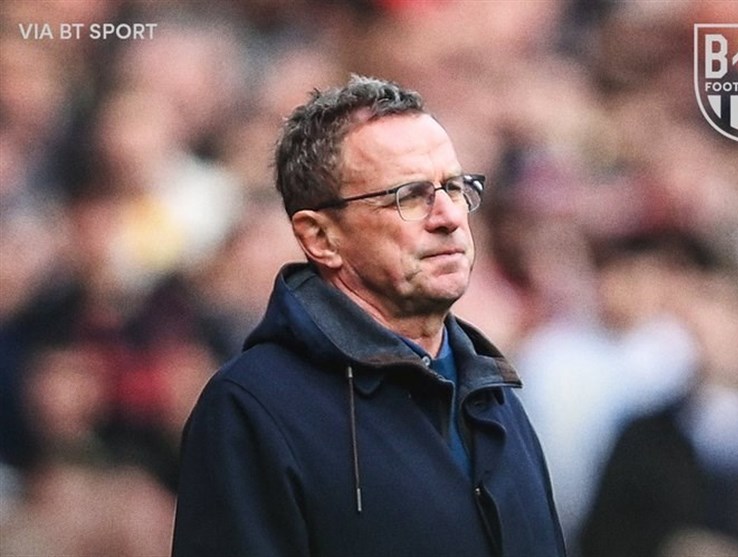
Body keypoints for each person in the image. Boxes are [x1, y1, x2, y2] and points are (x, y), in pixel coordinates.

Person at [171, 75, 566, 557]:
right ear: (320, 238)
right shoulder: (251, 408)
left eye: (455, 187)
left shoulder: (491, 394)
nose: (449, 216)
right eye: (409, 196)